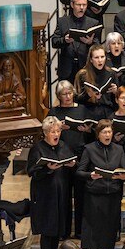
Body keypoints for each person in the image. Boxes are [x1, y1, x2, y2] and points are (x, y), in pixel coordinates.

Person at [77, 119, 125, 249]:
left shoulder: (119, 149)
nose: (108, 135)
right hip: (94, 195)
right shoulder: (89, 149)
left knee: (110, 230)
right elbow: (80, 172)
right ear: (98, 134)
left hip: (112, 195)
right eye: (104, 132)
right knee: (94, 231)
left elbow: (124, 169)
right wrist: (90, 175)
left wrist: (123, 176)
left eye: (110, 132)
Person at [26, 116, 75, 249]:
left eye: (58, 131)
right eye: (53, 131)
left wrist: (71, 164)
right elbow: (31, 172)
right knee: (47, 232)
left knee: (57, 231)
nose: (56, 134)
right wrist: (48, 169)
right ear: (46, 132)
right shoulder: (37, 149)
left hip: (60, 195)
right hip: (45, 197)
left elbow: (72, 162)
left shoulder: (63, 146)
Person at [48, 82, 91, 239]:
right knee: (63, 196)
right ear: (59, 96)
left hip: (79, 155)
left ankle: (79, 231)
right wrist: (58, 127)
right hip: (60, 157)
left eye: (69, 93)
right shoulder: (54, 111)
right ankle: (64, 231)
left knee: (80, 195)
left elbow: (90, 130)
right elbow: (46, 131)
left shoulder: (81, 109)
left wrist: (87, 129)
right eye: (64, 94)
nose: (67, 97)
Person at [52, 0, 102, 82]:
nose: (82, 8)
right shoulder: (62, 21)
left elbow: (98, 47)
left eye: (84, 5)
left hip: (85, 68)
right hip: (67, 69)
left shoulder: (93, 23)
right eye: (79, 5)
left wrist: (90, 42)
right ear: (72, 4)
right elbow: (54, 42)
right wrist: (64, 40)